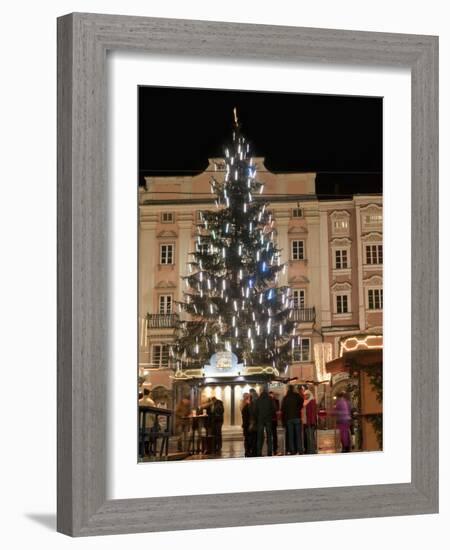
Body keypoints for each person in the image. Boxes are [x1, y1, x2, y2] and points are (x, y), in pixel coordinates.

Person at [281, 385, 304, 454]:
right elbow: (301, 404)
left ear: (288, 389)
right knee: (298, 435)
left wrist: (284, 420)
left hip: (289, 418)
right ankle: (300, 449)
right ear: (293, 389)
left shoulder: (285, 398)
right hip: (297, 417)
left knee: (291, 435)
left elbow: (283, 409)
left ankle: (292, 450)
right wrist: (298, 410)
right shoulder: (297, 396)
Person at [255, 387, 276, 457]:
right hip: (268, 420)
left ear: (261, 392)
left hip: (260, 420)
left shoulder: (258, 400)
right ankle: (269, 452)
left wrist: (258, 417)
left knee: (259, 437)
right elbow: (274, 409)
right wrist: (270, 416)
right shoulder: (270, 399)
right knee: (269, 436)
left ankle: (258, 452)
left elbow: (255, 411)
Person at [302, 389, 318, 454]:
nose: (305, 396)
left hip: (310, 422)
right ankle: (309, 449)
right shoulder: (305, 401)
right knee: (308, 437)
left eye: (306, 395)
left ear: (309, 395)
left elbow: (313, 413)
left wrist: (311, 422)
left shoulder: (312, 401)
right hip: (305, 422)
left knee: (310, 437)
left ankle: (312, 450)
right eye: (304, 395)